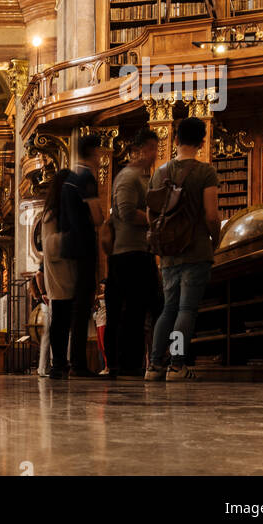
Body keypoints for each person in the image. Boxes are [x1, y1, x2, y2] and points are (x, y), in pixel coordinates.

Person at [146, 116, 220, 382]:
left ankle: (154, 366)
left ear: (175, 139)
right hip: (196, 249)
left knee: (168, 308)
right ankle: (177, 366)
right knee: (186, 310)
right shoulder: (205, 172)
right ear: (201, 141)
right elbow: (211, 215)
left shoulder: (160, 172)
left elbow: (150, 215)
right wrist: (216, 239)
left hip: (168, 253)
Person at [105, 126, 160, 379]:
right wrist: (156, 219)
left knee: (143, 309)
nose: (154, 154)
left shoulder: (144, 178)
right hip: (129, 254)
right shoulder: (128, 177)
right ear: (138, 150)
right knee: (133, 311)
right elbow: (125, 212)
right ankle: (127, 365)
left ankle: (132, 363)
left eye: (155, 149)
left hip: (139, 252)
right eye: (150, 149)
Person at [59, 135, 103, 376]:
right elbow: (97, 217)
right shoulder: (85, 178)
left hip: (68, 249)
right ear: (94, 152)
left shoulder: (68, 181)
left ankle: (71, 361)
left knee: (72, 307)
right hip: (83, 247)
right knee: (83, 307)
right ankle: (78, 363)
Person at [39, 168, 75, 378]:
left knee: (65, 319)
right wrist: (73, 237)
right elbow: (50, 246)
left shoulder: (62, 210)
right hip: (60, 273)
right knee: (60, 320)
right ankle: (58, 363)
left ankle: (62, 363)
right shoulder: (52, 213)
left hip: (66, 271)